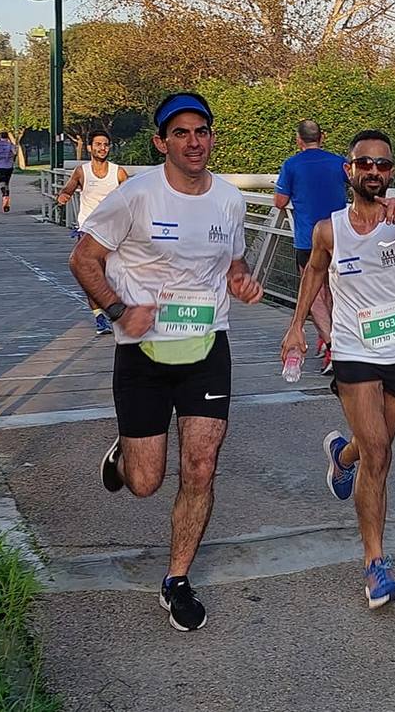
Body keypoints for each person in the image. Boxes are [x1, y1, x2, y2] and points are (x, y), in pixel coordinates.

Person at [69, 92, 264, 632]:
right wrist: (117, 311)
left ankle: (177, 579)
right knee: (145, 482)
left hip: (207, 345)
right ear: (161, 143)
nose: (193, 141)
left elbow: (234, 261)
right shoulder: (135, 196)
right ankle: (125, 457)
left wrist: (242, 281)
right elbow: (83, 258)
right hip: (143, 352)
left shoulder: (230, 200)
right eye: (180, 133)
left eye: (201, 131)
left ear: (211, 138)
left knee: (200, 465)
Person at [281, 129, 395, 609]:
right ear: (349, 170)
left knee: (371, 450)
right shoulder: (330, 229)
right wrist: (296, 327)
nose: (373, 171)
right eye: (364, 163)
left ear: (391, 173)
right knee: (380, 455)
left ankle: (342, 457)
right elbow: (314, 271)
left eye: (382, 165)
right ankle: (375, 565)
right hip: (353, 351)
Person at [274, 119, 347, 374]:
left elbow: (280, 202)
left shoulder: (291, 165)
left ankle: (332, 347)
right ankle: (336, 342)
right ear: (322, 137)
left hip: (308, 239)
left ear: (298, 140)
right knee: (335, 292)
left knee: (313, 295)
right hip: (339, 236)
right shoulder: (339, 162)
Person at [58, 129, 129, 335]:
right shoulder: (82, 171)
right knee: (91, 275)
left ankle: (117, 310)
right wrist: (64, 196)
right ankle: (100, 317)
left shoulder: (118, 172)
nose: (102, 148)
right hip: (88, 231)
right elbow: (69, 188)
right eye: (98, 144)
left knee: (114, 276)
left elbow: (132, 197)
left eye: (105, 144)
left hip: (114, 232)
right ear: (90, 148)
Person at [0, 132, 17, 212]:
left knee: (1, 182)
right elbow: (15, 152)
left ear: (0, 137)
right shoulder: (10, 145)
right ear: (7, 137)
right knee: (7, 182)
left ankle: (4, 195)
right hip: (9, 166)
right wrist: (12, 157)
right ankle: (6, 200)